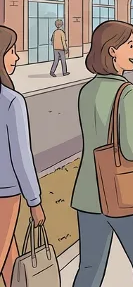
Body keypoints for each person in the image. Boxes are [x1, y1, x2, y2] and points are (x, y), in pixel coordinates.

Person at [71, 21, 133, 287]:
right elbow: (131, 148)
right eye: (131, 46)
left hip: (89, 194)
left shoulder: (87, 91)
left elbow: (115, 115)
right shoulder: (128, 93)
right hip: (122, 194)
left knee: (89, 268)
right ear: (113, 51)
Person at [0, 26, 44, 287]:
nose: (16, 58)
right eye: (11, 51)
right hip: (6, 193)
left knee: (11, 262)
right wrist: (35, 201)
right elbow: (21, 157)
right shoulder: (11, 101)